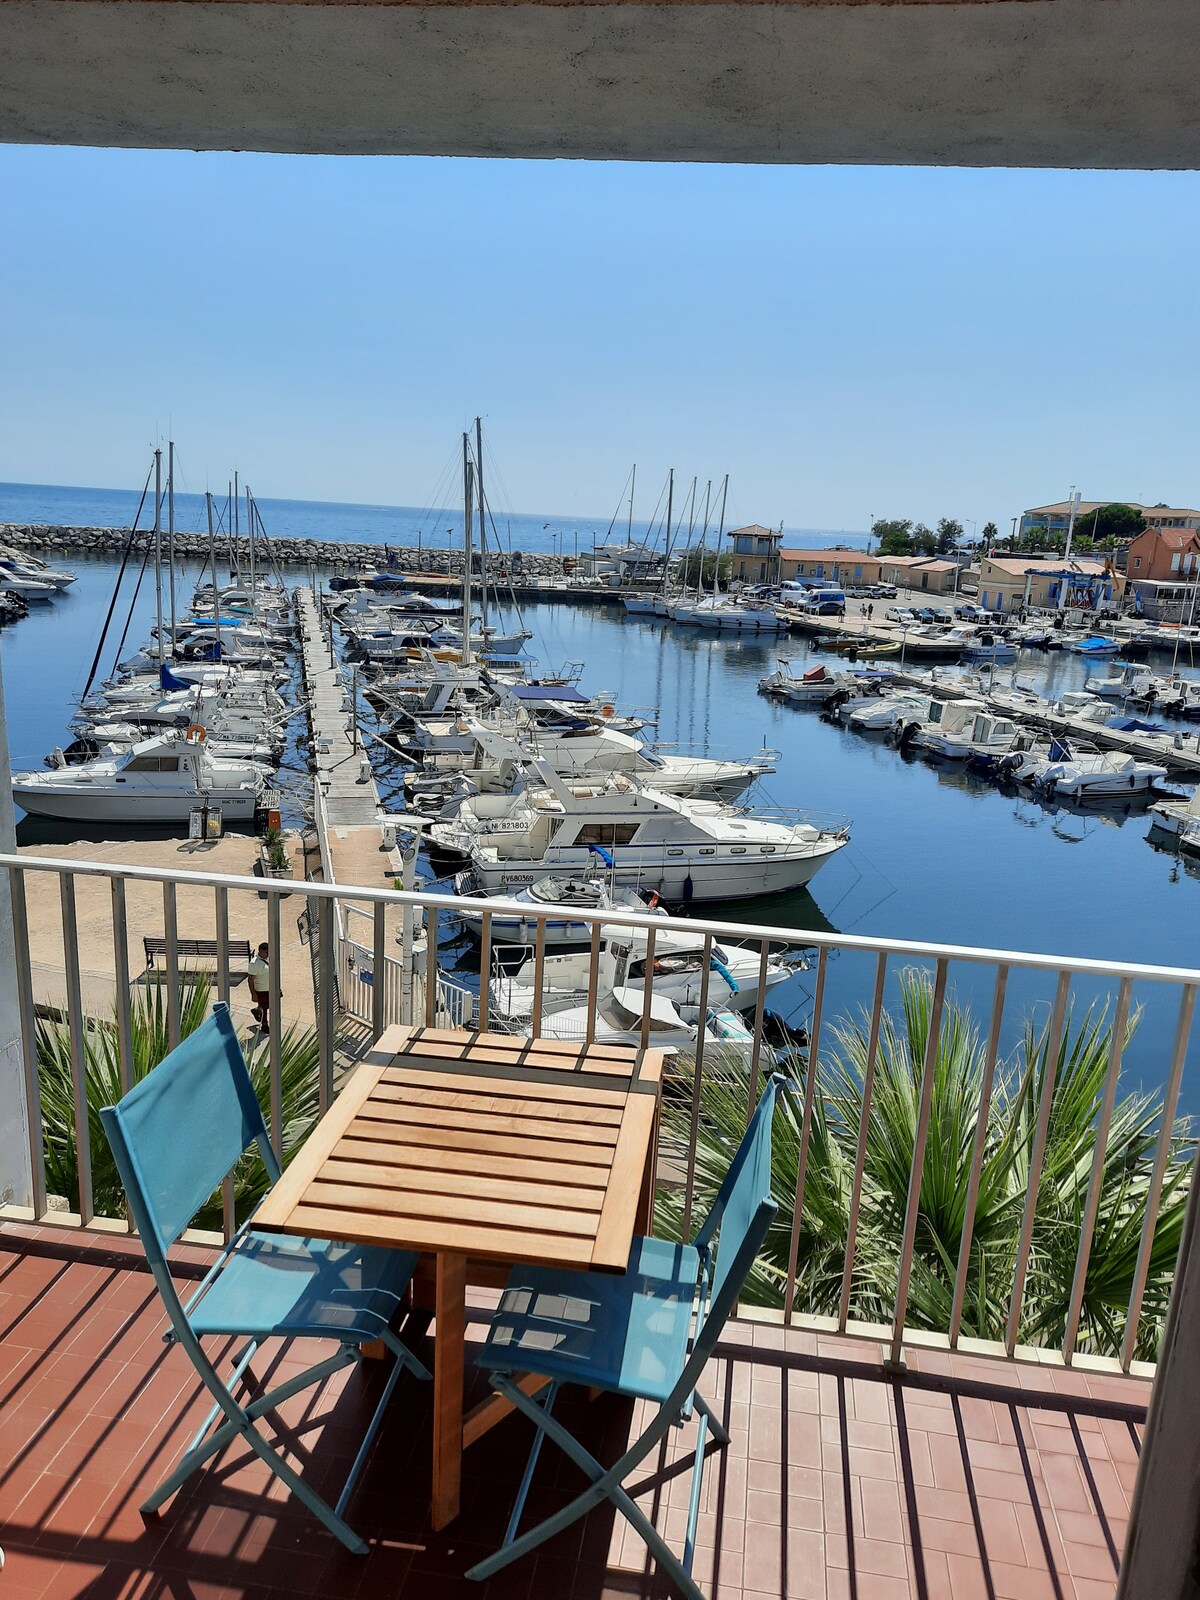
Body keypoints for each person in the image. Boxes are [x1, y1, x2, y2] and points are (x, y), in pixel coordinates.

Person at [248, 941, 271, 1032]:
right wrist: (253, 994)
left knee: (269, 1005)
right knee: (265, 1009)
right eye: (266, 952)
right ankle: (264, 1025)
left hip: (271, 987)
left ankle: (257, 1009)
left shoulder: (269, 957)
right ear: (260, 951)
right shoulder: (254, 963)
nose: (268, 954)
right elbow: (250, 979)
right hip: (261, 989)